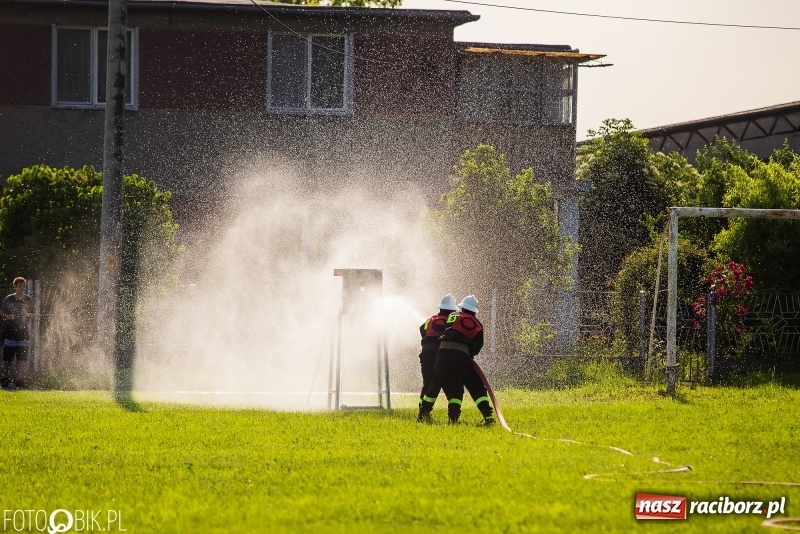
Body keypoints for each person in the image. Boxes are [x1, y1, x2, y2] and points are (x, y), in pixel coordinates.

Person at [418, 295, 495, 426]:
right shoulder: (477, 323)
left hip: (440, 354)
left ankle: (422, 415)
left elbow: (437, 332)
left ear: (462, 308)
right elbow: (477, 345)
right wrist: (469, 354)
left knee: (433, 384)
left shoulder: (451, 318)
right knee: (473, 385)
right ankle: (487, 416)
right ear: (474, 310)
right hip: (460, 355)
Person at [416, 294, 457, 422]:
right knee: (451, 383)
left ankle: (422, 412)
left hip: (426, 354)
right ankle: (453, 414)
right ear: (451, 310)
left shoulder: (430, 319)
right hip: (441, 354)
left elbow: (421, 328)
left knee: (428, 383)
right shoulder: (451, 320)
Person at [1, 277, 34, 390]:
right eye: (20, 286)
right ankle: (5, 378)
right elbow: (2, 312)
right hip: (10, 332)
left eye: (24, 286)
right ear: (15, 287)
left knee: (22, 359)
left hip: (23, 333)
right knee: (7, 358)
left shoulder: (28, 300)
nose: (22, 288)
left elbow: (33, 314)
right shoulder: (9, 299)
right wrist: (8, 316)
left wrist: (27, 315)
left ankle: (19, 379)